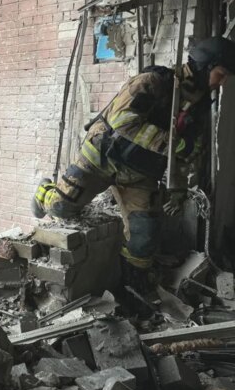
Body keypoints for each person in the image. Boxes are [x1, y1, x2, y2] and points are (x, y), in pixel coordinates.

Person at [32, 36, 235, 296]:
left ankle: (131, 289)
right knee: (61, 207)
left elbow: (190, 151)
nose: (222, 82)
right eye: (221, 74)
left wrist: (178, 187)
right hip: (103, 156)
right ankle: (44, 193)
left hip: (139, 174)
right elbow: (123, 121)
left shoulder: (199, 106)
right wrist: (172, 144)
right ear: (206, 65)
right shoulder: (154, 82)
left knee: (145, 237)